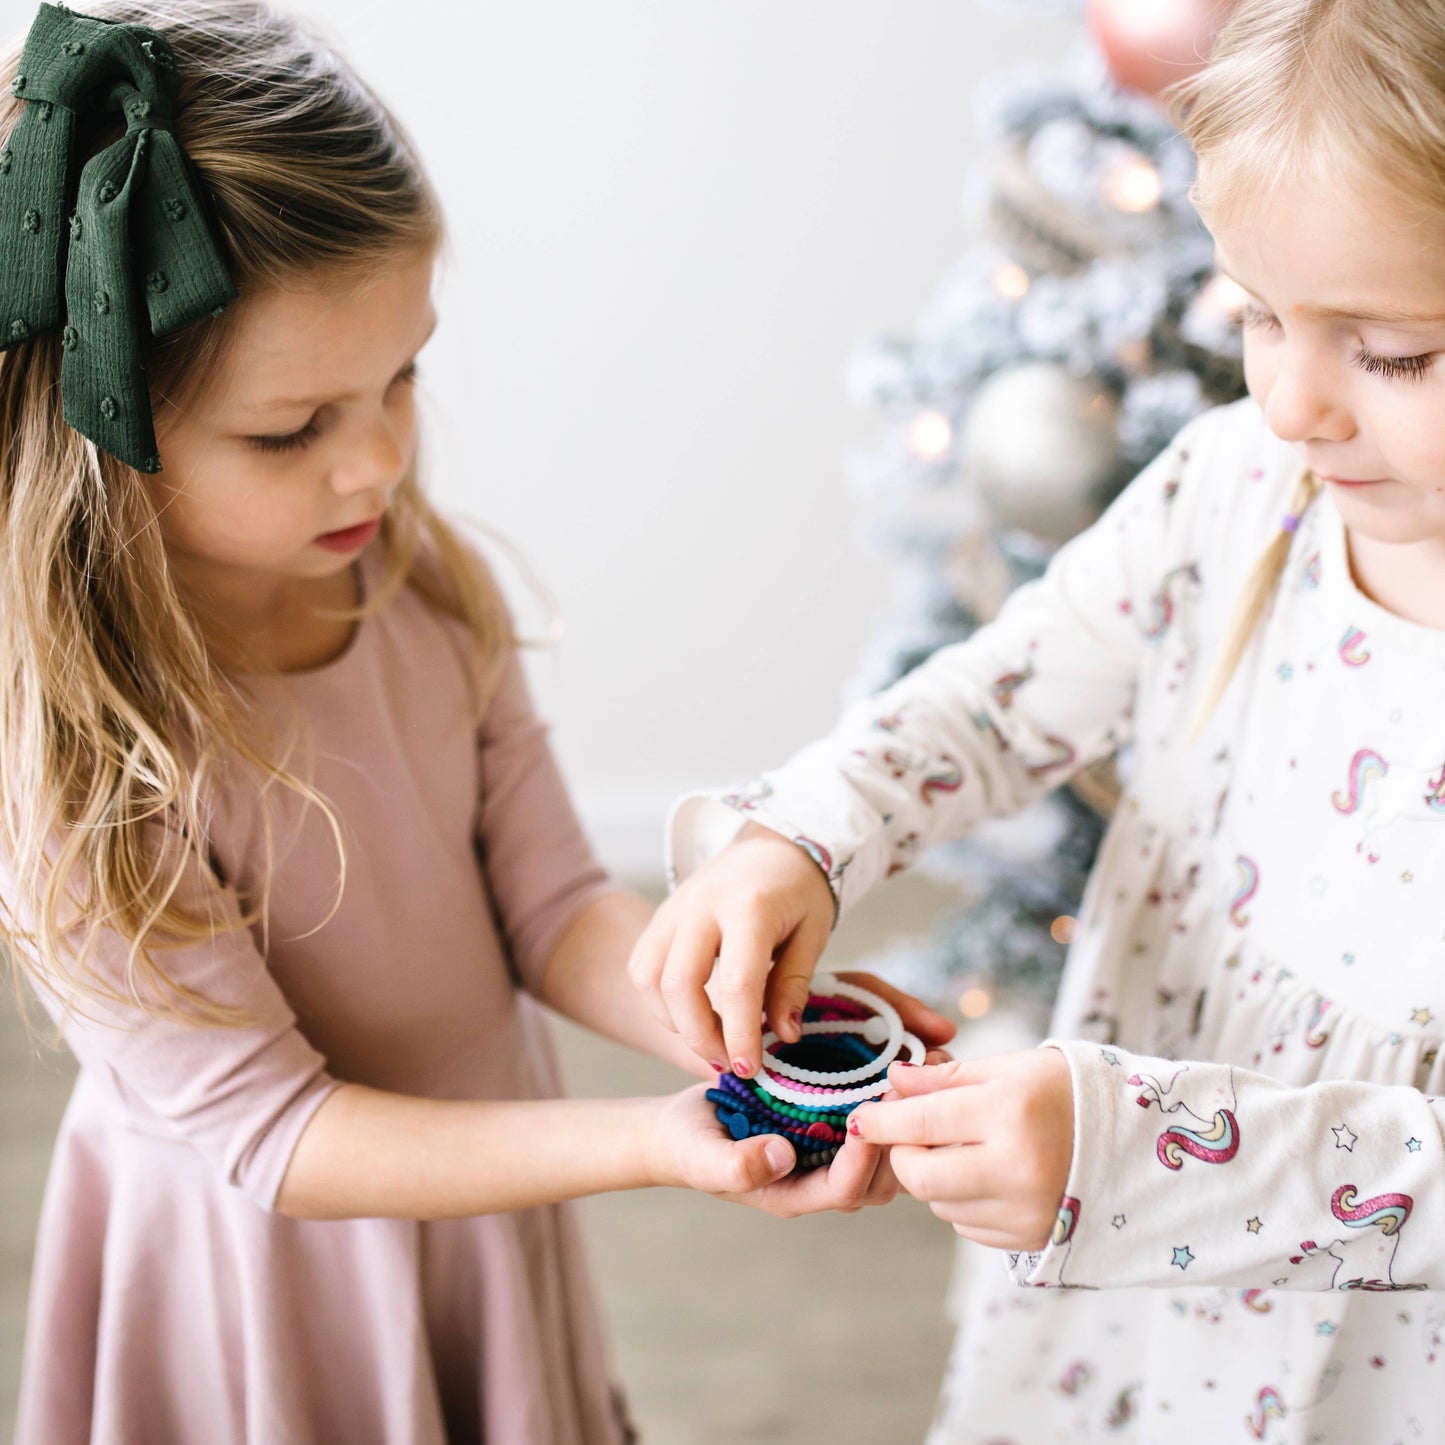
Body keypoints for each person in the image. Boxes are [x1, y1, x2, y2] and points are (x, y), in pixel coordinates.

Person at [0, 5, 956, 1442]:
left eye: (399, 377)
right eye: (291, 428)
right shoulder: (83, 760)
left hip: (484, 1197)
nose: (377, 458)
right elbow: (278, 1132)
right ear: (102, 432)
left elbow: (552, 903)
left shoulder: (423, 589)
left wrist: (736, 1032)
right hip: (264, 1275)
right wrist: (647, 1142)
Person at [630, 0, 1445, 1437]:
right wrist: (803, 841)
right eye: (1252, 313)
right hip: (1123, 1317)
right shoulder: (1234, 488)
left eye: (1391, 352)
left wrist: (1150, 1154)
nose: (1291, 397)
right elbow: (992, 701)